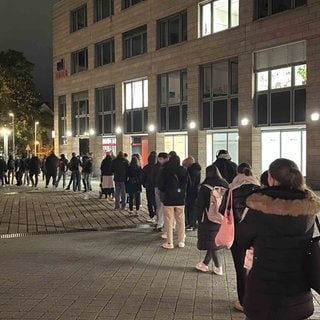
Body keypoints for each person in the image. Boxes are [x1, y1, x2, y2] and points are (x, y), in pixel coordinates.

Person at [238, 158, 320, 320]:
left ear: (271, 178)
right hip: (298, 291)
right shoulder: (308, 206)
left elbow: (241, 239)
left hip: (264, 292)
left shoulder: (260, 204)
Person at [220, 162, 260, 312]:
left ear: (238, 173)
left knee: (240, 269)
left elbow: (222, 210)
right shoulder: (260, 190)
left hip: (237, 236)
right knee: (256, 268)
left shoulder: (231, 190)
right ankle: (257, 299)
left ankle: (243, 301)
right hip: (257, 237)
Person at [194, 165, 229, 275]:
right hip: (221, 217)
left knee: (211, 242)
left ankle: (218, 267)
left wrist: (197, 217)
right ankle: (204, 264)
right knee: (213, 241)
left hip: (208, 218)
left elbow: (199, 204)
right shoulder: (225, 185)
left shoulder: (205, 187)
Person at [158, 154, 188, 249]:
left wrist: (167, 191)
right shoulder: (183, 170)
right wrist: (181, 191)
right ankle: (181, 241)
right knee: (181, 220)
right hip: (180, 199)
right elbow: (187, 183)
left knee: (169, 220)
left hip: (168, 199)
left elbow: (160, 185)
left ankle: (169, 242)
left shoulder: (165, 170)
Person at [183, 156, 201, 231]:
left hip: (191, 192)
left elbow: (190, 182)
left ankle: (192, 224)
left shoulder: (192, 170)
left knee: (191, 208)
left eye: (185, 164)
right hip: (195, 191)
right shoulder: (197, 169)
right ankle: (192, 223)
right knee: (192, 208)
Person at [153, 152, 169, 232]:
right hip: (162, 189)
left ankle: (160, 224)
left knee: (161, 207)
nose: (159, 160)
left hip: (161, 189)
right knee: (161, 207)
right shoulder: (160, 167)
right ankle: (163, 225)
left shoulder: (160, 168)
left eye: (160, 159)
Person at [142, 152, 157, 223]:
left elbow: (142, 177)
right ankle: (158, 215)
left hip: (148, 187)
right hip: (156, 187)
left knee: (150, 201)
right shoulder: (159, 167)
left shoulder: (146, 168)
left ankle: (151, 216)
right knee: (156, 201)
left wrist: (144, 184)